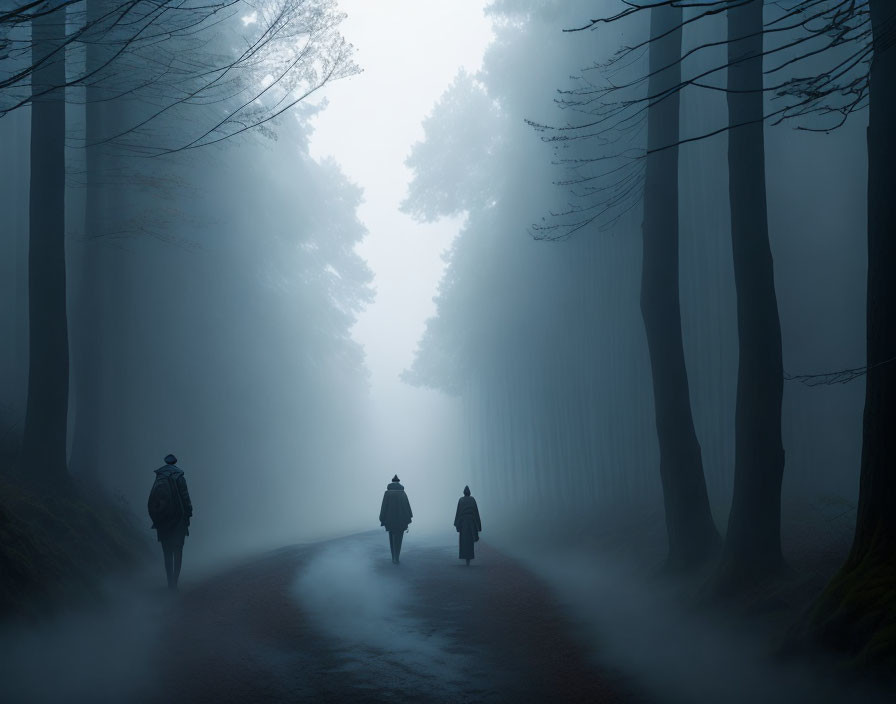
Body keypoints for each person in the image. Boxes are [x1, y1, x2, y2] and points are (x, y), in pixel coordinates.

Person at [148, 454, 193, 590]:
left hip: (163, 520)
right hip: (178, 519)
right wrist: (189, 513)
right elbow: (185, 497)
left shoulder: (159, 477)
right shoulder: (179, 477)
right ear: (175, 463)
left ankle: (169, 584)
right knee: (178, 550)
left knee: (166, 552)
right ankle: (175, 582)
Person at [379, 474, 412, 564]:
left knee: (391, 537)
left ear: (392, 482)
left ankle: (393, 556)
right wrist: (408, 518)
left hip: (389, 520)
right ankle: (396, 557)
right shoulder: (403, 493)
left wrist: (382, 518)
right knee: (399, 538)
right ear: (398, 482)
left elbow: (384, 507)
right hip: (401, 520)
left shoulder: (387, 493)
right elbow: (407, 507)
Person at [454, 485, 482, 566]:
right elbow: (476, 513)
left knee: (464, 541)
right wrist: (479, 526)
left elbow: (458, 512)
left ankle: (465, 557)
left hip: (463, 523)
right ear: (469, 492)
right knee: (470, 541)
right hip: (471, 523)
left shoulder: (461, 500)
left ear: (464, 492)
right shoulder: (472, 500)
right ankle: (469, 558)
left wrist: (457, 524)